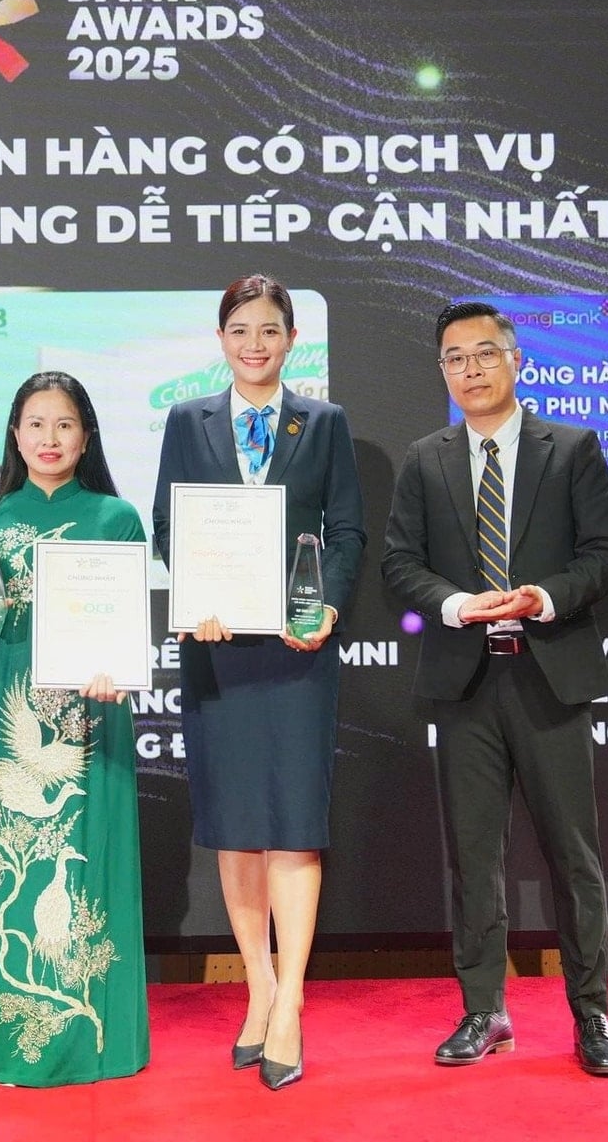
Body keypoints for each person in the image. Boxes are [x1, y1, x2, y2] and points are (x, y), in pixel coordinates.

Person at [382, 300, 608, 1077]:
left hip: (548, 673)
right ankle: (483, 1009)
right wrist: (458, 604)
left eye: (484, 353)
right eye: (454, 358)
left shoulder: (572, 448)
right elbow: (400, 563)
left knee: (574, 856)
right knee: (474, 855)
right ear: (443, 371)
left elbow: (607, 552)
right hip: (467, 681)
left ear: (516, 360)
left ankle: (591, 1014)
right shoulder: (424, 459)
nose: (470, 369)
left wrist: (546, 597)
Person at [150, 274, 365, 1092]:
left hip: (296, 648)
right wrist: (195, 594)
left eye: (270, 329)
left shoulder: (325, 422)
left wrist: (328, 606)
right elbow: (169, 522)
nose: (254, 344)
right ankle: (259, 988)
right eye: (240, 329)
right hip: (217, 651)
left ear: (291, 339)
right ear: (221, 338)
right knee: (238, 826)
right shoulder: (188, 420)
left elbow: (347, 528)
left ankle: (292, 1002)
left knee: (293, 825)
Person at [0, 372, 150, 1087]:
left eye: (64, 424)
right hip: (10, 717)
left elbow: (127, 625)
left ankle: (93, 1038)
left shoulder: (116, 517)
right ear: (15, 434)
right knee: (1, 874)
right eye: (35, 424)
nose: (49, 438)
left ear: (86, 435)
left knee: (88, 869)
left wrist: (116, 667)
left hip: (90, 716)